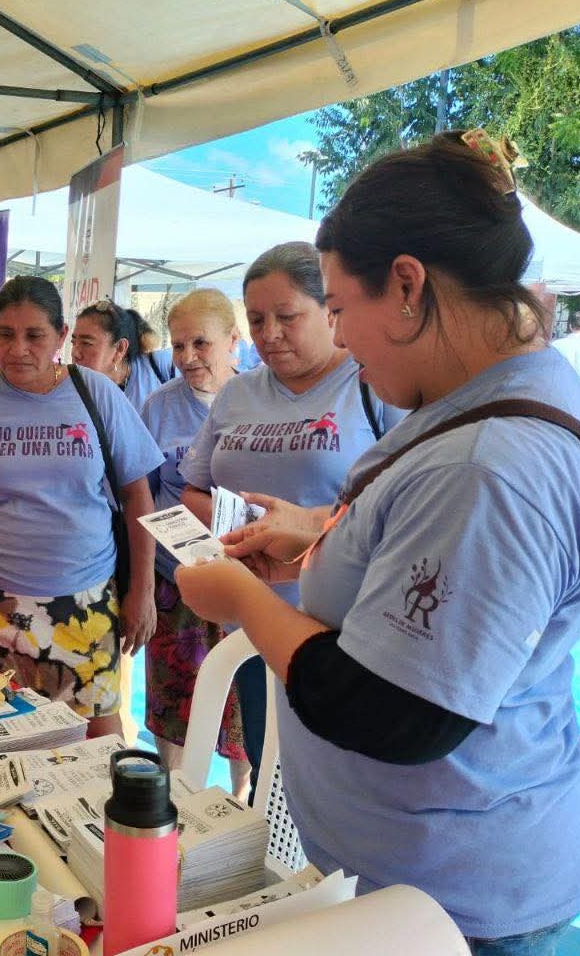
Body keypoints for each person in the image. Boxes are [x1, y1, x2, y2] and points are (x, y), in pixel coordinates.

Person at [180, 132, 580, 955]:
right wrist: (315, 536)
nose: (343, 343)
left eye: (338, 311)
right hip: (419, 868)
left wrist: (241, 599)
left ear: (406, 285)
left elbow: (393, 714)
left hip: (455, 898)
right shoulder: (487, 401)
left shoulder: (486, 464)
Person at [0, 276, 164, 738]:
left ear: (61, 336)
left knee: (97, 743)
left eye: (34, 335)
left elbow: (137, 495)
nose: (18, 348)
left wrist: (142, 590)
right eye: (5, 334)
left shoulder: (97, 394)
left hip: (84, 602)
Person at [178, 242, 404, 783]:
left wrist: (306, 523)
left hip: (340, 624)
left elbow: (405, 504)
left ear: (330, 310)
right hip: (249, 615)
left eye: (287, 317)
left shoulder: (375, 386)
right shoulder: (237, 395)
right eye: (256, 320)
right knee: (266, 759)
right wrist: (241, 530)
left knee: (334, 772)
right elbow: (192, 489)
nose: (269, 334)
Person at [136, 289, 248, 787]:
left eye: (200, 343)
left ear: (232, 342)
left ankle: (246, 794)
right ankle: (174, 796)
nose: (187, 358)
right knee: (174, 705)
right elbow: (141, 493)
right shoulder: (159, 406)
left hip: (250, 583)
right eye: (178, 346)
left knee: (245, 705)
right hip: (175, 582)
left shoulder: (259, 401)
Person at [71, 299, 174, 409]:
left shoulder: (163, 367)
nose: (75, 353)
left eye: (86, 343)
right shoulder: (78, 393)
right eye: (73, 343)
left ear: (120, 349)